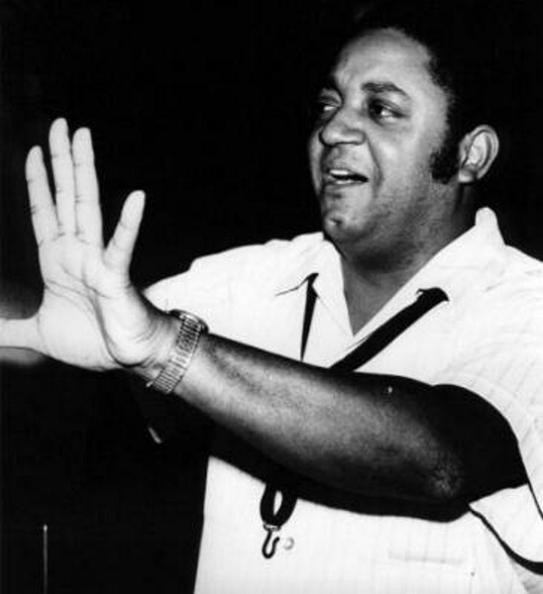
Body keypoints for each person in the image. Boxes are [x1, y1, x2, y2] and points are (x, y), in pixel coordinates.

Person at [2, 0, 542, 591]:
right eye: (329, 105)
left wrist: (169, 350)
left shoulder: (522, 304)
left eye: (381, 109)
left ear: (470, 154)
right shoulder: (254, 280)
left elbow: (440, 459)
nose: (332, 130)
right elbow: (86, 328)